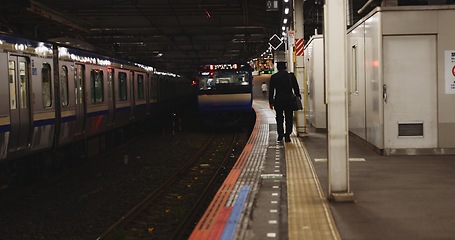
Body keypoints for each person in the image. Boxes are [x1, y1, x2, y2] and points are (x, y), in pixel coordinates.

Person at [268, 61, 301, 142]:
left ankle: (280, 135)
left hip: (278, 100)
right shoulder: (291, 76)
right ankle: (287, 135)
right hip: (289, 100)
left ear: (278, 68)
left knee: (279, 118)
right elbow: (296, 87)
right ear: (285, 67)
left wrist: (271, 101)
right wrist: (298, 95)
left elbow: (271, 90)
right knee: (289, 118)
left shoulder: (274, 77)